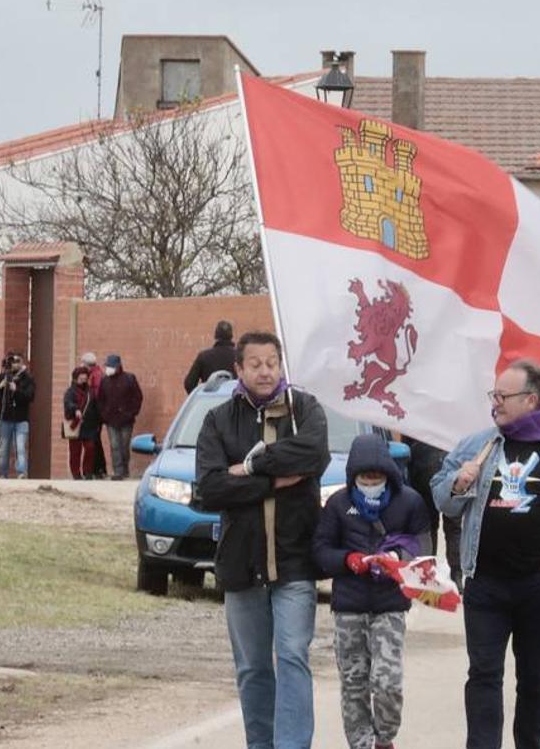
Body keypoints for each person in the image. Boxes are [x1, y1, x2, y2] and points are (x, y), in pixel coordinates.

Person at [432, 360, 540, 749]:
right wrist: (459, 484)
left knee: (535, 679)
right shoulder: (478, 445)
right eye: (493, 395)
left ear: (531, 399)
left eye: (502, 396)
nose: (495, 403)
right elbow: (442, 497)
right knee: (484, 675)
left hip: (539, 587)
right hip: (486, 584)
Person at [196, 331, 330, 749]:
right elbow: (210, 488)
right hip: (241, 563)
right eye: (255, 363)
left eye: (272, 362)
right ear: (239, 368)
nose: (265, 371)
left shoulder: (304, 409)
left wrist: (250, 466)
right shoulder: (218, 419)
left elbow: (314, 456)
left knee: (292, 657)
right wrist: (273, 480)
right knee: (253, 667)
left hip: (295, 561)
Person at [313, 434, 431, 749]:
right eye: (365, 476)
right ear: (354, 476)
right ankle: (361, 744)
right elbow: (321, 551)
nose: (371, 482)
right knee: (353, 683)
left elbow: (423, 547)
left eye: (377, 476)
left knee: (387, 681)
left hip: (390, 605)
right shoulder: (338, 503)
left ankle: (385, 737)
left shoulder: (410, 502)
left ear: (389, 475)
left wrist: (397, 561)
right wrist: (348, 560)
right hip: (348, 607)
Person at [403, 435, 464, 587]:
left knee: (429, 526)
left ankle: (429, 571)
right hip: (450, 467)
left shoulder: (418, 419)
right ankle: (456, 574)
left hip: (423, 468)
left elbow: (406, 446)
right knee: (453, 527)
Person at [96, 354, 143, 481]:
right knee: (115, 445)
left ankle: (125, 469)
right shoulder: (105, 381)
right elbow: (100, 399)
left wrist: (132, 413)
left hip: (126, 419)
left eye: (111, 366)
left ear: (118, 367)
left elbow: (137, 397)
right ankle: (118, 471)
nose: (108, 369)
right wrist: (104, 414)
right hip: (111, 419)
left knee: (124, 445)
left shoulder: (129, 379)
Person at [0, 352, 35, 479]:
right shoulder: (4, 376)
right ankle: (3, 474)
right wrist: (0, 386)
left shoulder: (27, 378)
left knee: (20, 447)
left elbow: (30, 396)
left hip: (21, 419)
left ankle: (21, 472)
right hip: (5, 418)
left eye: (17, 361)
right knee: (4, 449)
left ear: (22, 363)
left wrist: (16, 390)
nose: (15, 364)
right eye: (12, 362)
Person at [62, 367, 100, 480]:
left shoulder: (90, 392)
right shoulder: (70, 391)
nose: (83, 380)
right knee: (75, 451)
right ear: (75, 379)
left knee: (90, 447)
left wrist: (98, 421)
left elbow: (95, 406)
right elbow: (68, 403)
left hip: (89, 424)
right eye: (81, 378)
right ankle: (76, 473)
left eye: (85, 378)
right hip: (76, 423)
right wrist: (75, 409)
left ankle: (88, 471)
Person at [185, 320, 237, 394]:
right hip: (234, 401)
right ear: (231, 336)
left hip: (210, 403)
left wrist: (202, 397)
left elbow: (189, 383)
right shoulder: (240, 357)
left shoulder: (203, 356)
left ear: (215, 336)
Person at [80, 351, 108, 479]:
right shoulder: (97, 374)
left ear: (87, 364)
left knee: (94, 442)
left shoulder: (95, 376)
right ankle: (99, 469)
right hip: (96, 413)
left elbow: (96, 396)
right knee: (95, 441)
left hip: (95, 414)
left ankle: (99, 469)